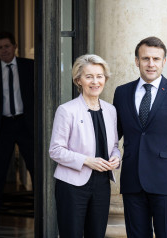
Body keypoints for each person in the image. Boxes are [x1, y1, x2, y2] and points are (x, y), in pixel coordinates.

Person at [113, 36, 167, 238]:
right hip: (132, 181)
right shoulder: (122, 93)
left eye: (156, 59)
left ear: (164, 62)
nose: (150, 64)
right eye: (145, 59)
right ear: (137, 61)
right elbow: (113, 135)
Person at [49, 54, 121, 238]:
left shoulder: (111, 110)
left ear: (105, 79)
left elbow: (113, 145)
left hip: (102, 184)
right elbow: (55, 150)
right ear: (78, 80)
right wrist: (87, 161)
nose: (95, 81)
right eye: (89, 76)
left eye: (99, 76)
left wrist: (116, 157)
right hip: (72, 186)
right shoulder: (66, 110)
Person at [0, 31, 35, 225]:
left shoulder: (30, 67)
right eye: (0, 47)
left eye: (7, 46)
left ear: (15, 47)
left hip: (26, 124)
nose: (4, 50)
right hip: (2, 125)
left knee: (35, 168)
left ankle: (42, 212)